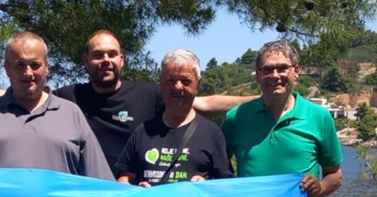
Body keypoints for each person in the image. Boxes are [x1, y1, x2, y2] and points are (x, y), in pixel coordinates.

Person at [54, 30, 252, 171]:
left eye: (112, 54)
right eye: (98, 55)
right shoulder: (68, 97)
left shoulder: (147, 94)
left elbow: (204, 104)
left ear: (121, 60)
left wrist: (258, 101)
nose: (106, 60)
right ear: (86, 60)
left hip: (134, 196)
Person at [221, 40, 343, 197]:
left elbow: (334, 175)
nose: (275, 75)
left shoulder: (319, 117)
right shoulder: (236, 118)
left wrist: (319, 187)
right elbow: (219, 171)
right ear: (257, 75)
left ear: (296, 71)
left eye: (282, 68)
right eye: (267, 69)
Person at [0, 31, 113, 180]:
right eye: (20, 65)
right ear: (7, 68)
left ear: (46, 67)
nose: (28, 73)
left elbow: (102, 185)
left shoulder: (71, 114)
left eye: (35, 65)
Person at [113, 49, 233, 187]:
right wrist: (135, 189)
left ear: (198, 84)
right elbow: (125, 178)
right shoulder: (143, 131)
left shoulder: (211, 133)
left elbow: (226, 186)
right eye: (171, 80)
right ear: (160, 82)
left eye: (186, 81)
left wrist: (206, 186)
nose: (178, 87)